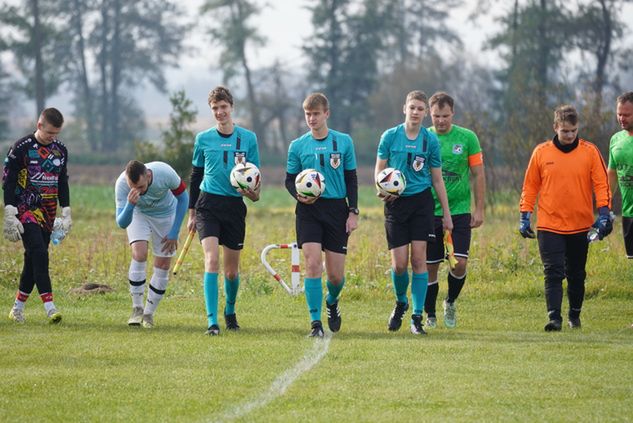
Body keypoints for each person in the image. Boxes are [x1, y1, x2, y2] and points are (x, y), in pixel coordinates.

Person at [519, 104, 612, 331]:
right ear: (555, 128)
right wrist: (525, 215)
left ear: (577, 128)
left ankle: (574, 315)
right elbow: (530, 186)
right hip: (549, 225)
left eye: (573, 131)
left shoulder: (590, 152)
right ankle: (554, 318)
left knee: (576, 273)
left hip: (580, 225)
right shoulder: (541, 152)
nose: (569, 135)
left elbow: (601, 185)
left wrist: (604, 213)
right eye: (565, 131)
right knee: (552, 272)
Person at [375, 90, 453, 336]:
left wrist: (447, 215)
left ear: (425, 113)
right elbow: (379, 172)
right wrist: (381, 190)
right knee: (399, 265)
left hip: (421, 203)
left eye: (421, 109)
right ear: (404, 109)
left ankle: (417, 316)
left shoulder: (430, 141)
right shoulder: (389, 136)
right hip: (396, 204)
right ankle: (401, 302)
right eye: (413, 108)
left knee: (419, 260)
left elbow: (438, 180)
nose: (416, 112)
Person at [188, 86, 260, 336]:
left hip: (234, 207)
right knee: (212, 260)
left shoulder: (248, 139)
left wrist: (252, 193)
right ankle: (212, 322)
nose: (220, 112)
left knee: (231, 271)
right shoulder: (203, 139)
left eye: (223, 107)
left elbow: (255, 184)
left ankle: (230, 310)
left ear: (231, 107)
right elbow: (196, 175)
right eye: (215, 108)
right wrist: (191, 212)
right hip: (207, 204)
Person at [285, 92, 359, 337]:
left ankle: (332, 300)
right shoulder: (297, 146)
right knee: (313, 263)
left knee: (336, 276)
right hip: (308, 211)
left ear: (326, 113)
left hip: (337, 210)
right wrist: (299, 196)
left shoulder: (344, 141)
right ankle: (315, 323)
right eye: (308, 114)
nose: (312, 118)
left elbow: (351, 179)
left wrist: (353, 212)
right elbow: (288, 180)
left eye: (316, 114)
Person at [3, 108, 71, 324]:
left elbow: (62, 181)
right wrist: (10, 210)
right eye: (50, 133)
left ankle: (17, 309)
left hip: (49, 212)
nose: (53, 138)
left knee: (32, 259)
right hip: (26, 209)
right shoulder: (21, 148)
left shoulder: (61, 150)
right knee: (40, 254)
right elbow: (9, 180)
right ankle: (50, 308)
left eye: (56, 134)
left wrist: (66, 209)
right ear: (39, 125)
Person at [424, 92, 485, 329]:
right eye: (437, 116)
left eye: (445, 116)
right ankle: (429, 313)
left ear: (453, 113)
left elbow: (479, 174)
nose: (441, 121)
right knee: (430, 266)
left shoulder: (467, 137)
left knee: (459, 264)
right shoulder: (424, 137)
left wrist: (479, 209)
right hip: (430, 212)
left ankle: (449, 301)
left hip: (459, 211)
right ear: (431, 114)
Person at [114, 160, 189, 328]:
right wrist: (131, 205)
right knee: (139, 253)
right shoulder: (122, 184)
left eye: (140, 187)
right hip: (138, 213)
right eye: (133, 187)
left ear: (148, 175)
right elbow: (122, 223)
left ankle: (149, 314)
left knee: (163, 264)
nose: (137, 192)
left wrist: (174, 231)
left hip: (166, 214)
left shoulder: (164, 172)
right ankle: (137, 309)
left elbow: (184, 198)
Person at [606, 91, 633, 328]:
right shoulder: (616, 140)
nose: (622, 118)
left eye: (627, 114)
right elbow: (612, 174)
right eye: (619, 114)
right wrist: (605, 204)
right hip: (629, 212)